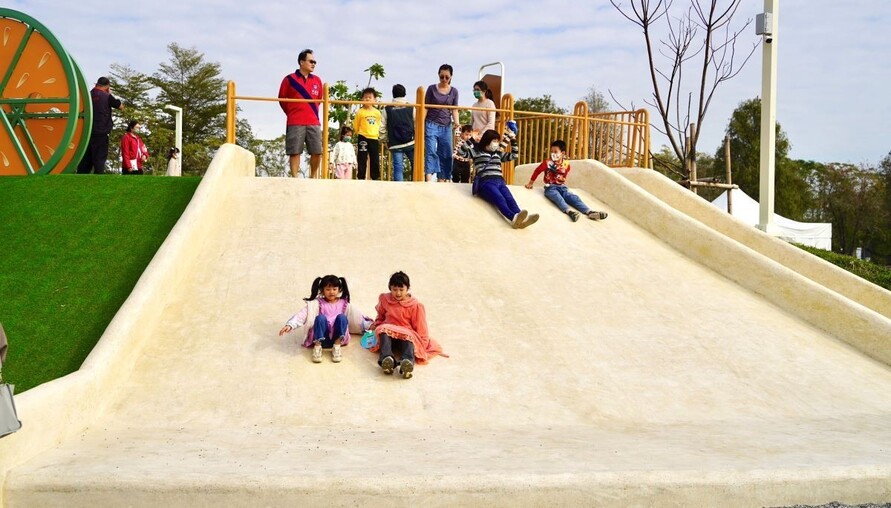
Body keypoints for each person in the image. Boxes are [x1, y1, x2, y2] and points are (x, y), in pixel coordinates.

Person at [457, 124, 539, 229]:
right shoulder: (477, 152)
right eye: (494, 140)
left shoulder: (497, 154)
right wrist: (472, 139)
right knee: (499, 198)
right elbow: (461, 152)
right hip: (486, 182)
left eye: (497, 141)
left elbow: (514, 155)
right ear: (487, 140)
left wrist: (513, 140)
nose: (496, 143)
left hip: (500, 181)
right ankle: (513, 218)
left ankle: (521, 216)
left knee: (510, 198)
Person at [368, 271, 445, 379]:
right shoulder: (385, 299)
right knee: (383, 330)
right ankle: (387, 360)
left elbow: (421, 326)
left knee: (409, 338)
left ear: (407, 288)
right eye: (394, 289)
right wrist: (376, 325)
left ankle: (407, 362)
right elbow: (381, 316)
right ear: (390, 288)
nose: (398, 293)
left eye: (401, 290)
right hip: (388, 331)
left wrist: (422, 343)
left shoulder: (415, 305)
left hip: (405, 333)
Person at [279, 275, 370, 364]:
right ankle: (317, 348)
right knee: (320, 318)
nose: (331, 292)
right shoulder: (317, 303)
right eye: (328, 289)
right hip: (322, 339)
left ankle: (336, 347)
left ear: (339, 290)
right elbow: (302, 315)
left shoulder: (344, 303)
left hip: (338, 339)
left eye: (334, 289)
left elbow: (356, 317)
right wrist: (290, 325)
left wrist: (369, 325)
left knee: (342, 317)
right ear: (322, 290)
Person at [525, 140, 609, 222]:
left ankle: (589, 212)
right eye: (551, 151)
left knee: (574, 198)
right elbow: (537, 171)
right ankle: (570, 212)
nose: (553, 154)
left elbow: (564, 175)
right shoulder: (547, 162)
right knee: (557, 197)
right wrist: (530, 183)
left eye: (555, 151)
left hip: (562, 187)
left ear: (563, 153)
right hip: (550, 187)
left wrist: (562, 179)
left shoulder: (566, 164)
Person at [278, 49, 323, 178]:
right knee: (295, 151)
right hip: (295, 121)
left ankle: (313, 176)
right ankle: (295, 177)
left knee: (316, 151)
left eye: (315, 62)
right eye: (311, 61)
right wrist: (293, 111)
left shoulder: (317, 80)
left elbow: (319, 100)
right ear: (301, 62)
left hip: (313, 121)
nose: (313, 64)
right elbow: (282, 99)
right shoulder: (289, 79)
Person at [77, 77, 124, 174]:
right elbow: (120, 106)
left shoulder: (88, 95)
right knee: (99, 159)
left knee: (85, 160)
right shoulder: (107, 96)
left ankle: (80, 180)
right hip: (101, 132)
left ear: (96, 84)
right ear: (107, 86)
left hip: (87, 131)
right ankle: (98, 180)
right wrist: (109, 93)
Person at [424, 64, 459, 182]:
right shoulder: (431, 89)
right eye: (441, 77)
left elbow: (454, 109)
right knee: (431, 150)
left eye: (446, 77)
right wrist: (420, 123)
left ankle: (443, 178)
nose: (444, 79)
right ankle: (428, 177)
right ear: (438, 76)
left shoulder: (454, 91)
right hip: (431, 123)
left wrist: (457, 123)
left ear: (451, 77)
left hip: (446, 125)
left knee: (447, 153)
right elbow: (425, 107)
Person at [381, 84, 415, 182]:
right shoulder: (411, 107)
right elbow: (417, 124)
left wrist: (384, 140)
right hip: (410, 142)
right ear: (404, 93)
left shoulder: (387, 109)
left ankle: (399, 190)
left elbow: (382, 127)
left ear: (393, 94)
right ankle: (416, 185)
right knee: (416, 163)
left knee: (398, 167)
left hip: (395, 143)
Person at [353, 87, 382, 180]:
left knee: (375, 158)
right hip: (363, 137)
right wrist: (360, 133)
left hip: (374, 137)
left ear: (375, 99)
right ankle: (361, 176)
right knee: (362, 157)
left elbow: (379, 124)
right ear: (362, 99)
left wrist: (377, 134)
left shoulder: (377, 112)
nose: (367, 99)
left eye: (370, 97)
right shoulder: (360, 112)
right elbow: (356, 125)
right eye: (365, 97)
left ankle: (375, 177)